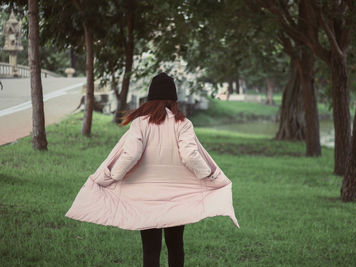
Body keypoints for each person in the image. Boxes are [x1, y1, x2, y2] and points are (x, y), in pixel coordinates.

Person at [65, 72, 239, 267]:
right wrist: (207, 175)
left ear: (150, 99)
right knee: (175, 246)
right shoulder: (183, 124)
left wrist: (114, 176)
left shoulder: (140, 124)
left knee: (150, 249)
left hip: (145, 199)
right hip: (177, 198)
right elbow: (190, 155)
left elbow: (131, 155)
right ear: (174, 100)